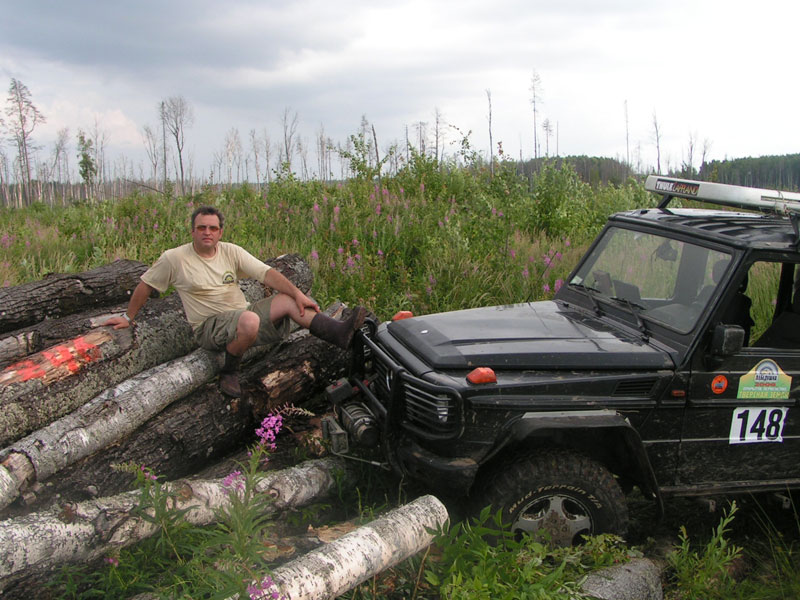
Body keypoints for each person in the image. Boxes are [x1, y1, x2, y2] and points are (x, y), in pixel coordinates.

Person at [104, 205, 366, 397]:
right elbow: (146, 285)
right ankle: (230, 371)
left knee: (287, 300)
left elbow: (266, 273)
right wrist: (128, 318)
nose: (207, 232)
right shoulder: (174, 258)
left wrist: (298, 294)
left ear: (220, 232)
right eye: (201, 228)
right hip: (209, 327)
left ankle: (338, 333)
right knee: (249, 320)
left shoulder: (230, 251)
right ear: (192, 231)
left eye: (212, 228)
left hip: (242, 316)